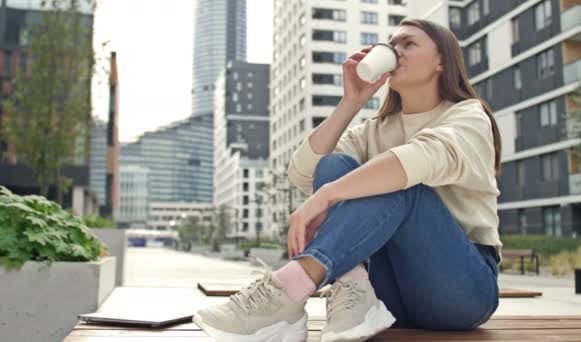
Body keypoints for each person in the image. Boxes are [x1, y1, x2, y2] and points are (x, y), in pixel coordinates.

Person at [193, 18, 503, 342]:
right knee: (333, 165)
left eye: (408, 44)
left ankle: (287, 289)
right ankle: (353, 296)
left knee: (401, 185)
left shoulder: (467, 115)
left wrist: (328, 195)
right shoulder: (375, 130)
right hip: (389, 294)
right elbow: (304, 173)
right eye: (392, 45)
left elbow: (414, 161)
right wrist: (350, 103)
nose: (395, 52)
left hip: (461, 290)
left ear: (442, 61)